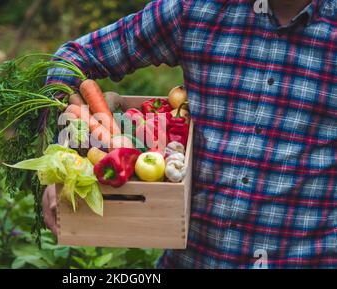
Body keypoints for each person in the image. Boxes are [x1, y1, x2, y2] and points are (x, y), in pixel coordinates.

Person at [43, 0, 337, 268]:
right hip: (196, 258)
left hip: (306, 256)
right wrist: (63, 163)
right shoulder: (195, 10)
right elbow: (71, 58)